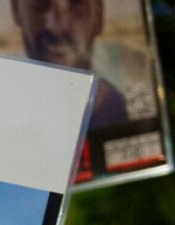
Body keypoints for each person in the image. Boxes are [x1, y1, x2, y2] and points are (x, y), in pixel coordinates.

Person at [10, 0, 129, 130]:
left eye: (77, 4)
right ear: (16, 10)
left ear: (99, 15)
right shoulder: (3, 113)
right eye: (40, 5)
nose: (57, 28)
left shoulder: (118, 109)